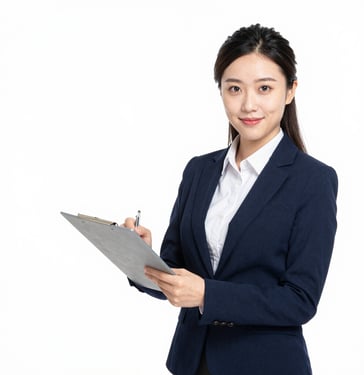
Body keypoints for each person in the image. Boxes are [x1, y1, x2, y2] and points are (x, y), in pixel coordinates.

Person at [123, 23, 338, 375]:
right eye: (234, 88)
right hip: (192, 363)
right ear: (220, 90)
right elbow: (177, 276)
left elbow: (300, 300)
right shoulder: (199, 171)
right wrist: (138, 255)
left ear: (290, 90)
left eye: (264, 88)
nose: (248, 104)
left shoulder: (312, 181)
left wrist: (208, 294)